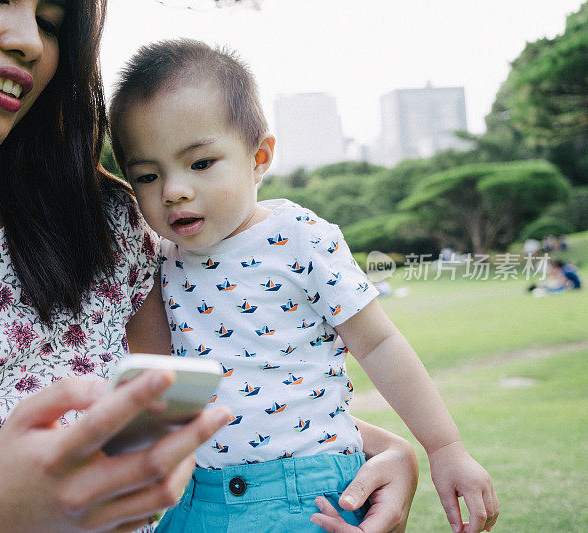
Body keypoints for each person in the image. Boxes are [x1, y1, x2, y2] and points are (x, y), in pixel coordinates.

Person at [0, 3, 418, 533]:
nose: (29, 40)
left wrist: (372, 450)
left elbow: (193, 404)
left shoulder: (114, 222)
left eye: (53, 21)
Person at [109, 39, 499, 533]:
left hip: (309, 492)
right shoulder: (157, 263)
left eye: (201, 163)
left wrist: (445, 448)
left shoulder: (299, 237)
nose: (174, 190)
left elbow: (379, 343)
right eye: (147, 175)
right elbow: (165, 386)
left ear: (260, 157)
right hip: (199, 500)